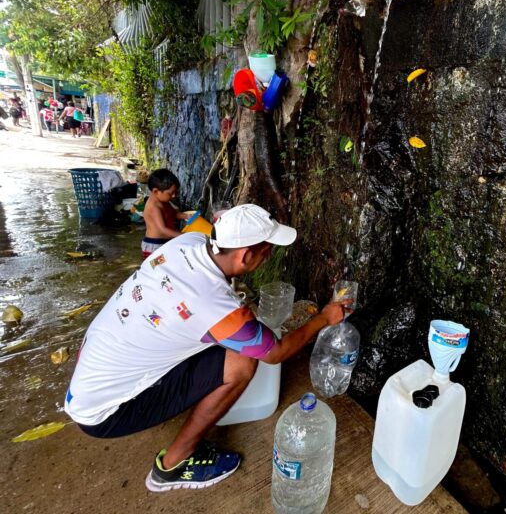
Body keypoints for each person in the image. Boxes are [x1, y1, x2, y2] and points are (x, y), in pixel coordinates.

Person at [63, 204, 352, 492]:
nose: (269, 256)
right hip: (106, 413)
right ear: (246, 255)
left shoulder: (188, 243)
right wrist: (324, 318)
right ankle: (174, 465)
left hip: (92, 376)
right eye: (267, 251)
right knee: (242, 363)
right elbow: (275, 353)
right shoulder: (216, 306)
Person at [141, 169, 190, 259]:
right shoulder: (154, 207)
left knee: (169, 266)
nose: (174, 196)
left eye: (175, 192)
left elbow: (173, 214)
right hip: (154, 247)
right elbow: (162, 229)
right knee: (155, 269)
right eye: (171, 193)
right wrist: (184, 236)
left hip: (165, 241)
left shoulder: (164, 199)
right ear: (156, 191)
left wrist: (186, 216)